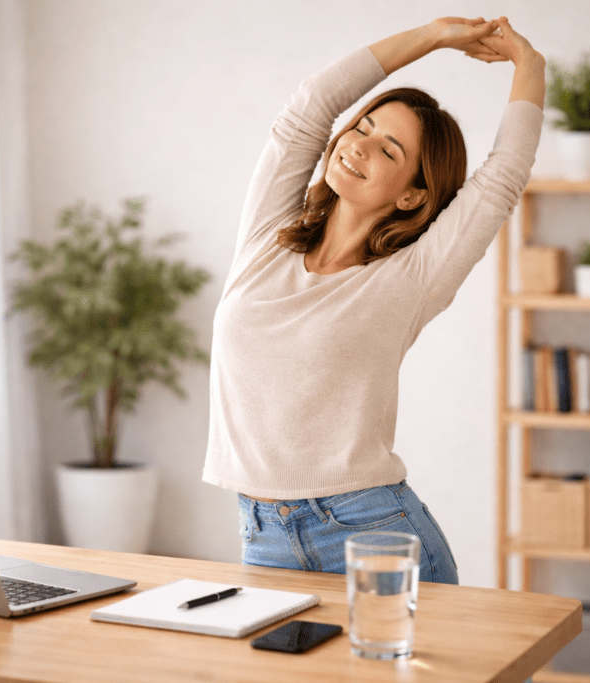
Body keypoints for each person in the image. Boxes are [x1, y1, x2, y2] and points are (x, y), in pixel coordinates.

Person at [202, 16, 545, 584]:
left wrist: (529, 65)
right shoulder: (267, 238)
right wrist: (435, 35)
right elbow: (312, 105)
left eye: (388, 149)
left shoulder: (410, 278)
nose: (358, 146)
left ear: (414, 194)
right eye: (361, 125)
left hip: (370, 532)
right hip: (261, 533)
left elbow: (503, 175)